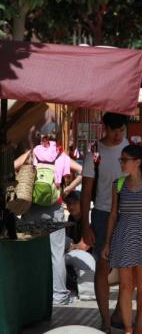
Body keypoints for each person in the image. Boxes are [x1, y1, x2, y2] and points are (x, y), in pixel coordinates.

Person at [102, 144, 142, 334]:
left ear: (137, 162)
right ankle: (129, 329)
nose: (121, 163)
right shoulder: (118, 184)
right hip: (123, 237)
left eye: (124, 160)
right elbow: (113, 215)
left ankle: (139, 320)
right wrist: (107, 242)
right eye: (121, 159)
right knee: (125, 286)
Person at [16, 124, 83, 306]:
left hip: (33, 207)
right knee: (57, 253)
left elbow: (14, 165)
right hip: (54, 207)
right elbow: (82, 171)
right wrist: (68, 187)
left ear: (40, 138)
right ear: (55, 138)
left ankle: (30, 291)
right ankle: (60, 295)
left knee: (31, 251)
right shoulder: (61, 155)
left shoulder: (33, 153)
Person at [80, 112, 129, 331]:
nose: (118, 135)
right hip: (101, 214)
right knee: (103, 265)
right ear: (105, 128)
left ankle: (119, 312)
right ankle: (106, 319)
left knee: (129, 268)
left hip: (128, 215)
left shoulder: (131, 150)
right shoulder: (95, 153)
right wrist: (85, 225)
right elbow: (86, 191)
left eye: (121, 130)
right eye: (114, 130)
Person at [64, 192, 96, 301]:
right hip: (79, 257)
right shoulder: (71, 219)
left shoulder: (89, 218)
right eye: (68, 204)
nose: (71, 207)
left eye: (74, 203)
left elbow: (84, 246)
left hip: (92, 259)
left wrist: (71, 246)